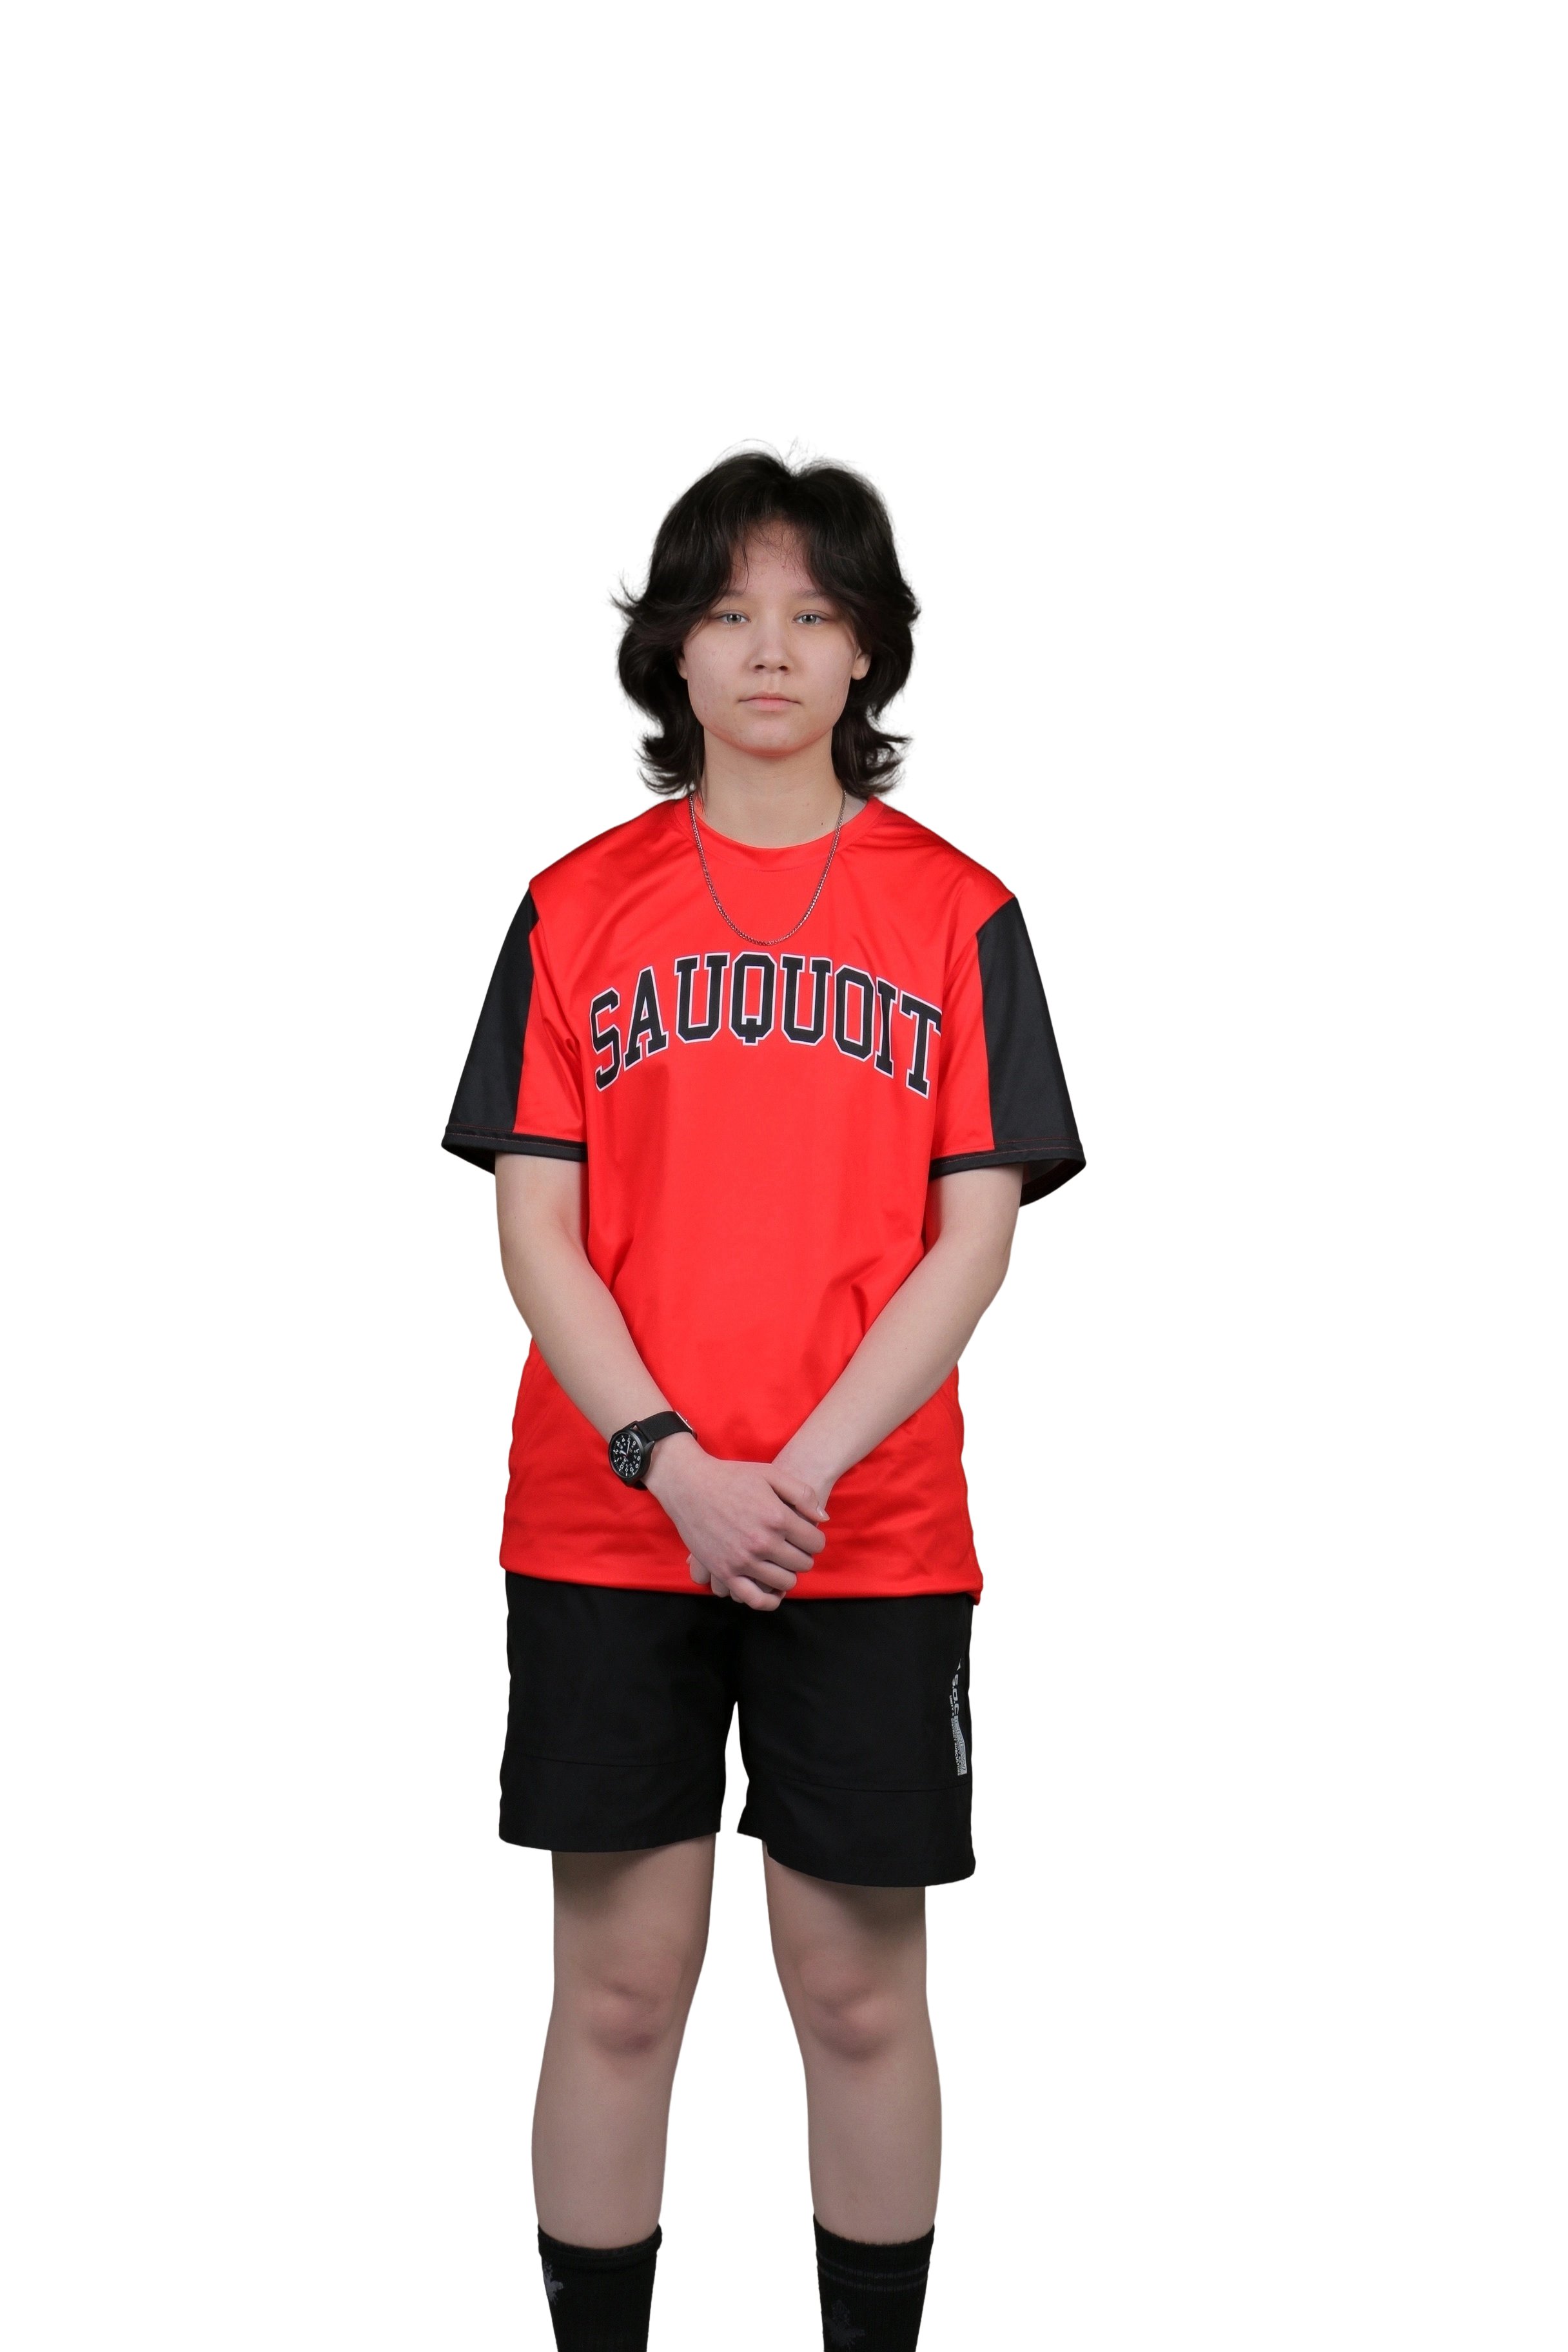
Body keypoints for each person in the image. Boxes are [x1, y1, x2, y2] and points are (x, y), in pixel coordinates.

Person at [438, 433, 1086, 2352]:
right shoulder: (573, 907)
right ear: (671, 648)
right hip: (606, 1524)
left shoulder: (960, 915)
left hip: (864, 1533)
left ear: (870, 648)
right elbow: (535, 1227)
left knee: (860, 1993)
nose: (772, 649)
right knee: (620, 1989)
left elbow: (973, 1238)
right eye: (729, 612)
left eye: (813, 611)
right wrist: (672, 1462)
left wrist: (788, 1474)